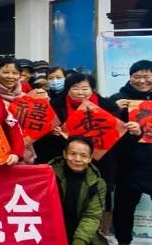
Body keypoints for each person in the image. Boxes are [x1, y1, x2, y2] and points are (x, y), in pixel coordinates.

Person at [50, 73, 134, 229]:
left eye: (85, 88)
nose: (81, 92)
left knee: (97, 197)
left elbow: (118, 136)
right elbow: (45, 137)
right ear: (68, 89)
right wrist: (55, 134)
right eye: (75, 88)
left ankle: (96, 230)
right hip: (68, 160)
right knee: (66, 195)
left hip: (101, 162)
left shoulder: (108, 106)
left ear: (93, 89)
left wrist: (132, 131)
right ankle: (62, 228)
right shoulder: (55, 105)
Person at [49, 136, 110, 245]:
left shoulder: (98, 184)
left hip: (79, 238)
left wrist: (78, 244)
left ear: (90, 158)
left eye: (83, 155)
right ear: (64, 154)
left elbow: (92, 217)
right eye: (72, 153)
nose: (77, 159)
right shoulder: (46, 174)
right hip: (49, 237)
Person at [110, 60, 151, 245]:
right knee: (125, 205)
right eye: (137, 76)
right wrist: (115, 110)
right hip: (129, 162)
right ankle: (123, 242)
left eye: (147, 76)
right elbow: (105, 127)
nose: (142, 80)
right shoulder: (119, 98)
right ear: (130, 76)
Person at [0, 57, 48, 164]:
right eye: (5, 72)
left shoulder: (26, 98)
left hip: (23, 153)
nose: (10, 76)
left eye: (15, 73)